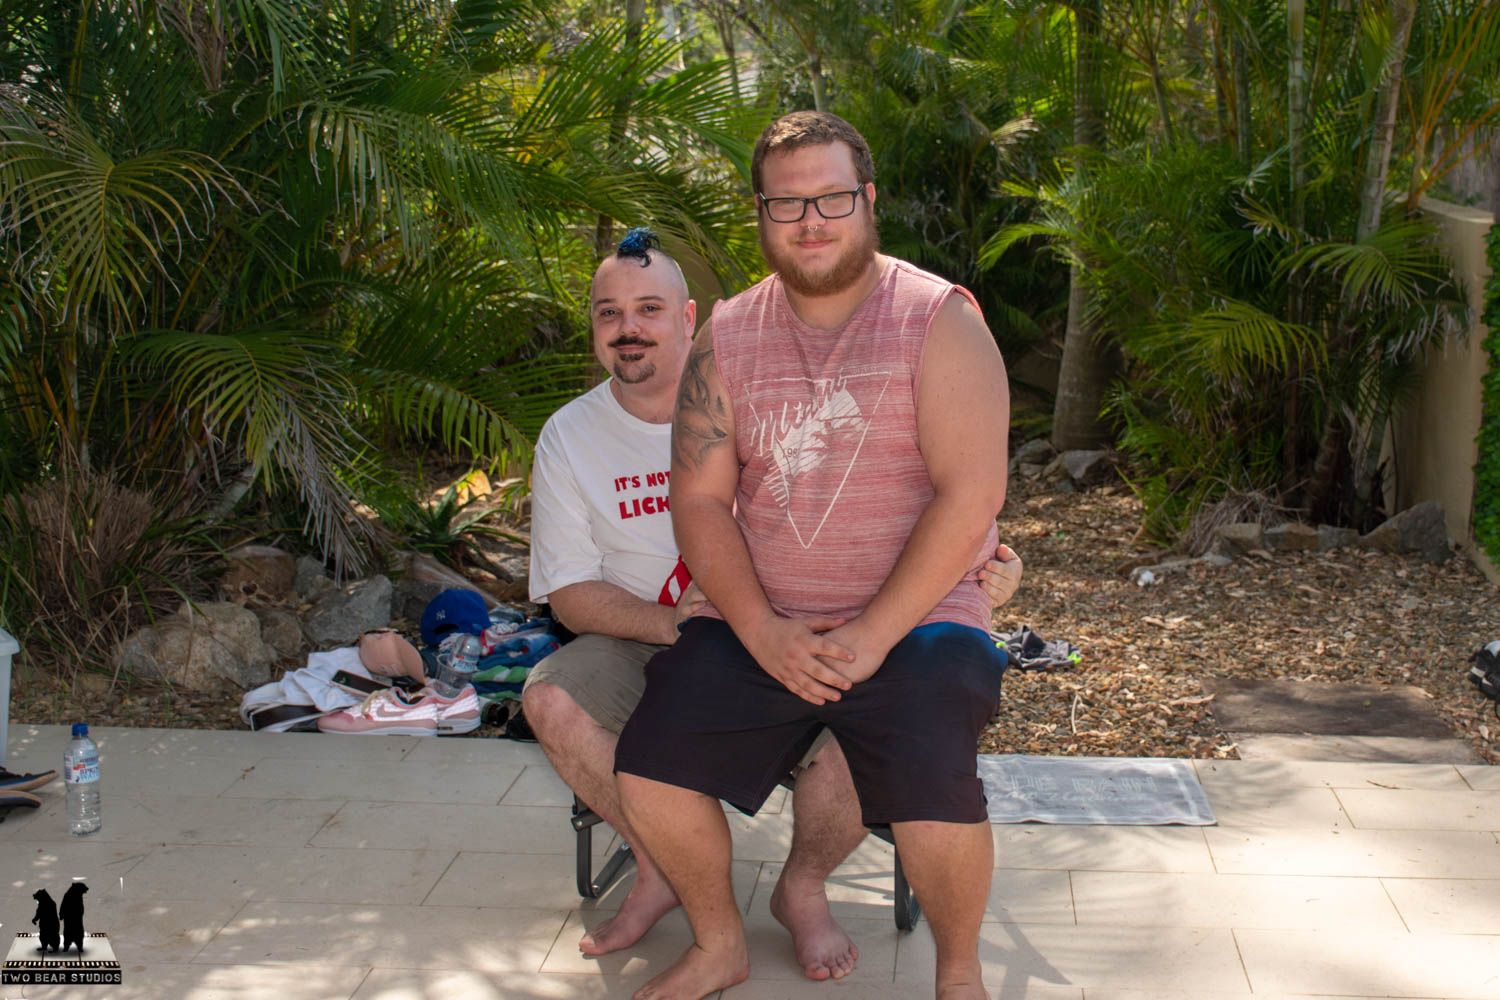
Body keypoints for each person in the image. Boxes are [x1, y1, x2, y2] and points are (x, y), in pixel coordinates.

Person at [521, 228, 1022, 981]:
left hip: (794, 621)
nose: (628, 328)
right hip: (667, 629)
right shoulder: (570, 436)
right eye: (609, 313)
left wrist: (986, 561)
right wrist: (678, 623)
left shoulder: (760, 379)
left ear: (689, 319)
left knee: (876, 711)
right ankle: (666, 872)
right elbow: (569, 592)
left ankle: (803, 887)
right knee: (561, 702)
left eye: (649, 309)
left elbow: (913, 491)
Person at [614, 111, 1011, 1000]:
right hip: (765, 615)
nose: (810, 221)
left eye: (831, 198)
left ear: (867, 200)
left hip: (919, 620)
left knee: (933, 777)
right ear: (761, 214)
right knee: (650, 768)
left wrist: (871, 636)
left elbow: (970, 497)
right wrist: (761, 630)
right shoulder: (726, 335)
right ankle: (720, 943)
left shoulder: (938, 320)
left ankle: (959, 974)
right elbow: (699, 500)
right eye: (786, 203)